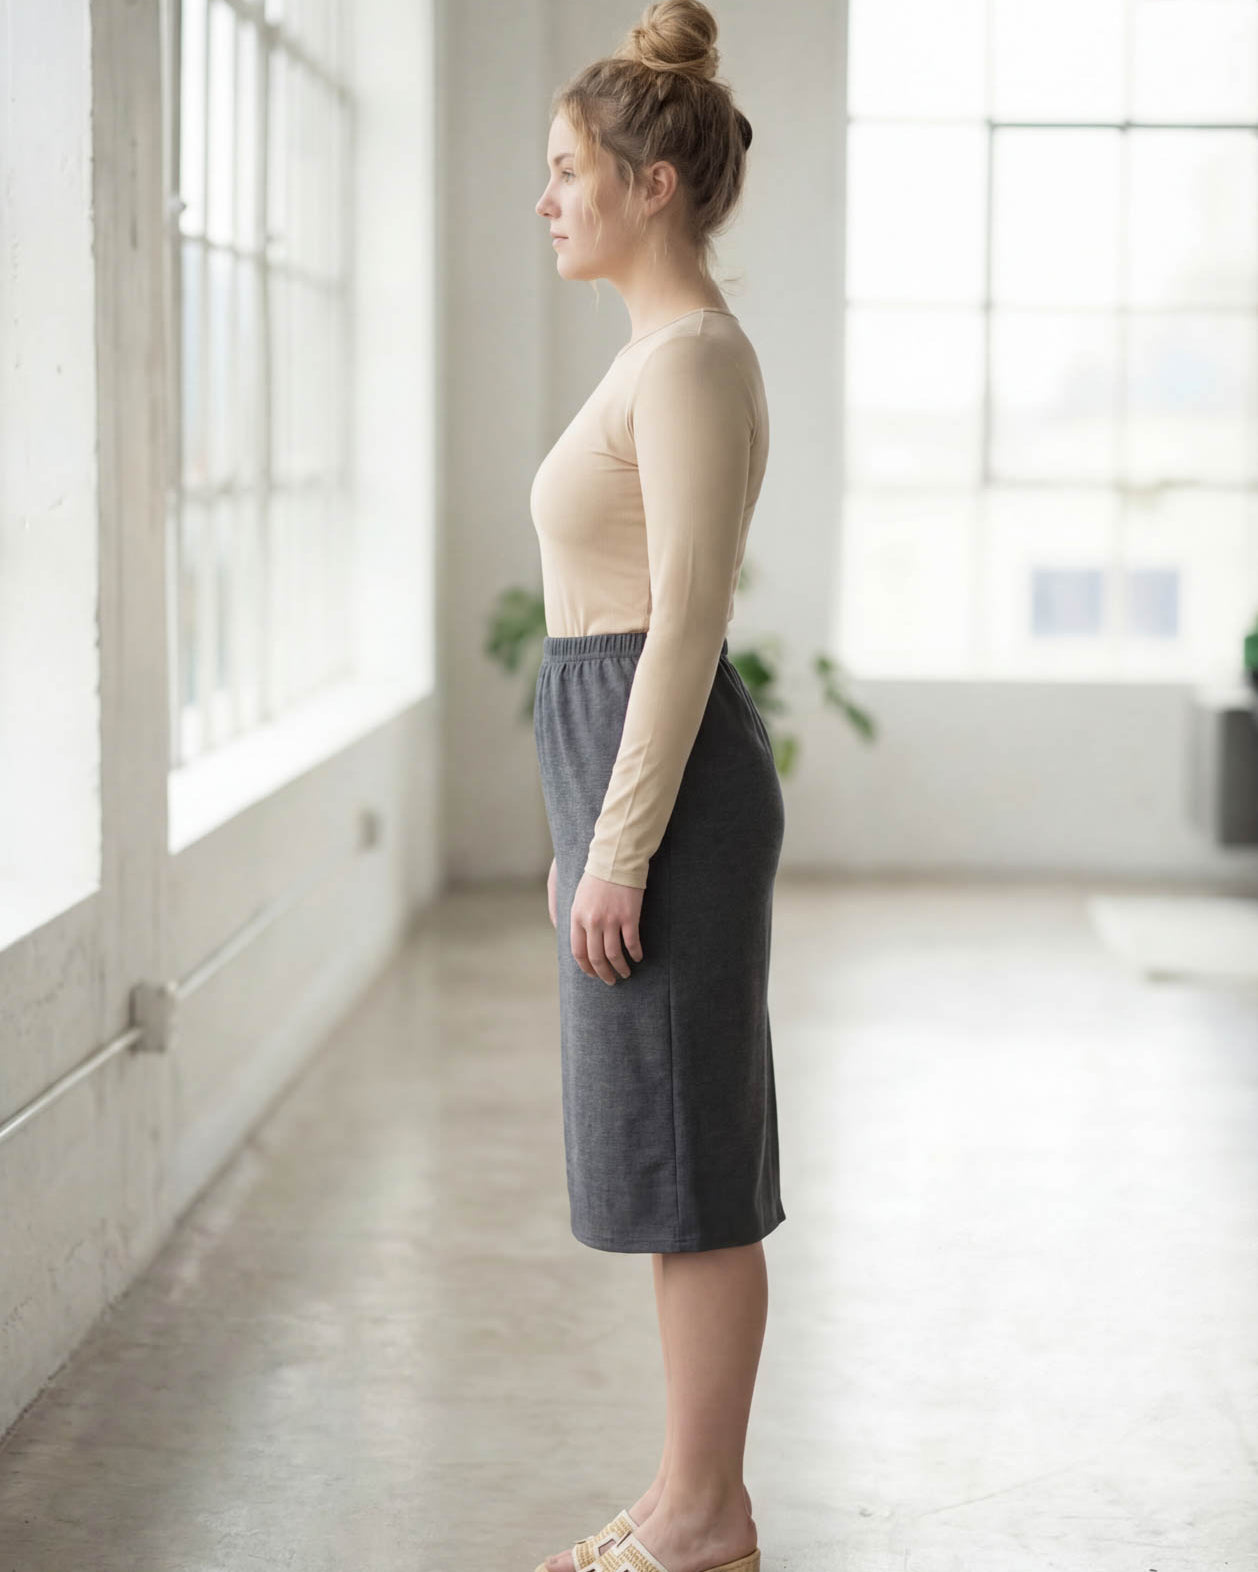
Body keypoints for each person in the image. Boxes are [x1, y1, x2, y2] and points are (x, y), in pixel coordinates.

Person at [529, 5, 783, 1572]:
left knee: (692, 1165)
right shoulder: (652, 356)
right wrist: (582, 835)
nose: (547, 200)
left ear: (652, 184)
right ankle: (690, 1492)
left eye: (567, 171)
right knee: (659, 1151)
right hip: (625, 769)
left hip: (668, 786)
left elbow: (681, 621)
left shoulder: (688, 359)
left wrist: (620, 844)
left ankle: (705, 1514)